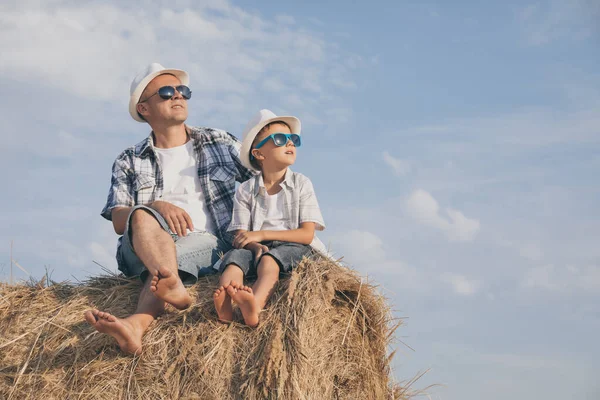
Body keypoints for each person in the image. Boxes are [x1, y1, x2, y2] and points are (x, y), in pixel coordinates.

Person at [84, 63, 254, 354]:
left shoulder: (219, 142)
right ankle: (176, 290)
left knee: (164, 268)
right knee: (141, 215)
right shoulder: (129, 158)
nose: (178, 96)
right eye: (166, 92)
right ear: (144, 109)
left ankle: (136, 324)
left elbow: (264, 180)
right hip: (141, 248)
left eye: (183, 91)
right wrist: (155, 206)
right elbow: (118, 219)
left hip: (207, 244)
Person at [213, 109, 327, 327]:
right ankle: (226, 303)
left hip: (294, 247)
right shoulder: (246, 190)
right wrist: (254, 244)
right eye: (280, 139)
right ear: (259, 154)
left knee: (270, 261)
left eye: (293, 139)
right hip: (256, 247)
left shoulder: (302, 184)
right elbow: (240, 233)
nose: (290, 143)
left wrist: (262, 234)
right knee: (234, 260)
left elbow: (306, 234)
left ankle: (254, 306)